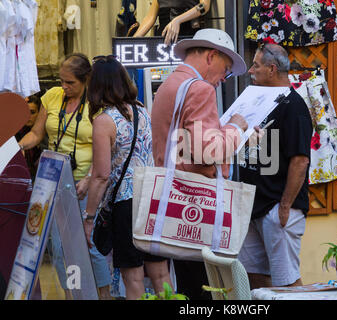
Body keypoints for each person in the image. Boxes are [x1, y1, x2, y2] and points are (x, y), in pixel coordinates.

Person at [151, 28, 248, 299]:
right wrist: (236, 129)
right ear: (211, 56)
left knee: (188, 286)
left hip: (174, 202)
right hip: (197, 207)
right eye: (225, 70)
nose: (223, 80)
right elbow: (206, 151)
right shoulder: (200, 89)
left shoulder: (171, 84)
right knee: (207, 290)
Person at [17, 53, 112, 299]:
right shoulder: (52, 97)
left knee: (89, 247)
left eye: (70, 83)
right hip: (56, 182)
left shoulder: (97, 103)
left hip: (86, 185)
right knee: (60, 249)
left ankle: (103, 295)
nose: (64, 87)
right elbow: (37, 135)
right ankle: (72, 294)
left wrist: (90, 178)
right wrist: (13, 148)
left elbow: (107, 150)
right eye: (61, 81)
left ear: (86, 80)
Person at [83, 55, 172, 300]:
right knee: (160, 273)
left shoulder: (104, 121)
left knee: (132, 275)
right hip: (153, 196)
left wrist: (89, 217)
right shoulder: (142, 110)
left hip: (127, 203)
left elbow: (101, 175)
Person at [237, 43, 313, 289]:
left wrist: (285, 206)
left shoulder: (294, 107)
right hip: (253, 206)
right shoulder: (258, 101)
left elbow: (300, 160)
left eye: (255, 66)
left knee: (287, 282)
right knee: (254, 278)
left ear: (271, 69)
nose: (250, 71)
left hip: (277, 208)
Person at [132, 0, 211, 45]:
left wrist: (178, 20)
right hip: (163, 40)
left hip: (187, 37)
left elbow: (204, 6)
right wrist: (132, 41)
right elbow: (150, 17)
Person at [15, 93, 45, 180]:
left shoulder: (47, 135)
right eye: (25, 112)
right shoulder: (16, 135)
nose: (28, 116)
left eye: (32, 112)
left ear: (40, 113)